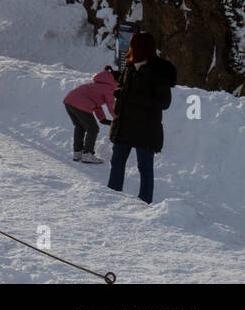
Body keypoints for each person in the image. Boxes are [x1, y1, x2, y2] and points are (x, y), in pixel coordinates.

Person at [107, 32, 176, 204]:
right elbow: (124, 88)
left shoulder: (158, 71)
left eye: (134, 45)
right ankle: (111, 198)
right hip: (125, 125)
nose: (132, 48)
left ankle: (144, 204)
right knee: (116, 162)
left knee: (144, 167)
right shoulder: (130, 67)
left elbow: (164, 102)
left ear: (143, 47)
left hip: (146, 128)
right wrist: (120, 92)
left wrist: (135, 98)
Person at [63, 66, 116, 162]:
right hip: (80, 103)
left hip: (69, 101)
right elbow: (111, 105)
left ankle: (77, 152)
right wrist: (116, 118)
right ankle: (87, 154)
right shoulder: (109, 88)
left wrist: (102, 119)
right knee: (93, 129)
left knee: (80, 127)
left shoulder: (99, 85)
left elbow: (96, 104)